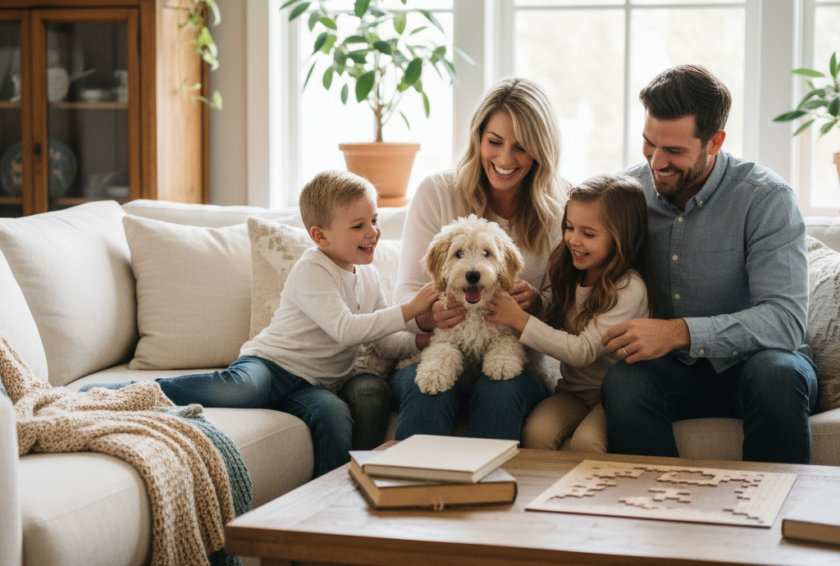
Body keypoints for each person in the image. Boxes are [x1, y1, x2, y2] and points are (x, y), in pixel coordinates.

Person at [83, 170, 439, 477]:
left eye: (374, 220)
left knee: (333, 417)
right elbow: (346, 329)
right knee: (243, 389)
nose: (373, 232)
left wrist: (419, 341)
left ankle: (333, 505)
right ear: (320, 236)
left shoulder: (369, 275)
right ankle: (124, 393)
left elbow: (382, 340)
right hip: (271, 365)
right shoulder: (312, 269)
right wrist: (409, 310)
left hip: (316, 384)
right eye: (359, 225)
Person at [599, 64, 819, 464]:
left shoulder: (765, 198)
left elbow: (785, 322)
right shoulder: (627, 193)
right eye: (650, 144)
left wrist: (678, 332)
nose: (656, 163)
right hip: (676, 374)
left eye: (675, 151)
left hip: (760, 366)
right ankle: (655, 510)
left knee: (775, 374)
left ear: (714, 142)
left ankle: (773, 515)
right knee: (624, 382)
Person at [386, 77, 568, 441]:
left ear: (541, 150)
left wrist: (537, 303)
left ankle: (489, 497)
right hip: (442, 347)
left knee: (500, 393)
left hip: (511, 356)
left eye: (521, 147)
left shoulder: (560, 208)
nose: (504, 159)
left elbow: (566, 310)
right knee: (429, 392)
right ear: (478, 139)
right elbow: (404, 294)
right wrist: (426, 316)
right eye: (494, 142)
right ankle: (409, 493)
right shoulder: (437, 192)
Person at [485, 174, 654, 452]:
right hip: (572, 391)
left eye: (588, 234)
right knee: (535, 433)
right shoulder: (571, 269)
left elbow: (583, 350)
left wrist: (520, 319)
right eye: (569, 227)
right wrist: (538, 302)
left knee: (587, 444)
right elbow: (559, 308)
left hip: (612, 394)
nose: (573, 240)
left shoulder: (630, 288)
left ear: (621, 237)